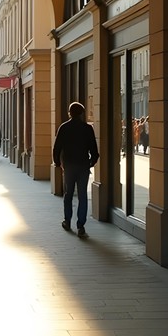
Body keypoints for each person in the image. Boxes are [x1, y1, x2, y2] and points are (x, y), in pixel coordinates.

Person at [52, 102, 99, 238]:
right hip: (83, 165)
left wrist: (57, 163)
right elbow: (94, 151)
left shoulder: (64, 128)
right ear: (82, 113)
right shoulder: (87, 129)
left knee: (69, 193)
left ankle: (67, 220)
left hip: (69, 166)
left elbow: (57, 148)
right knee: (82, 195)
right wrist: (91, 162)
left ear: (69, 113)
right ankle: (81, 225)